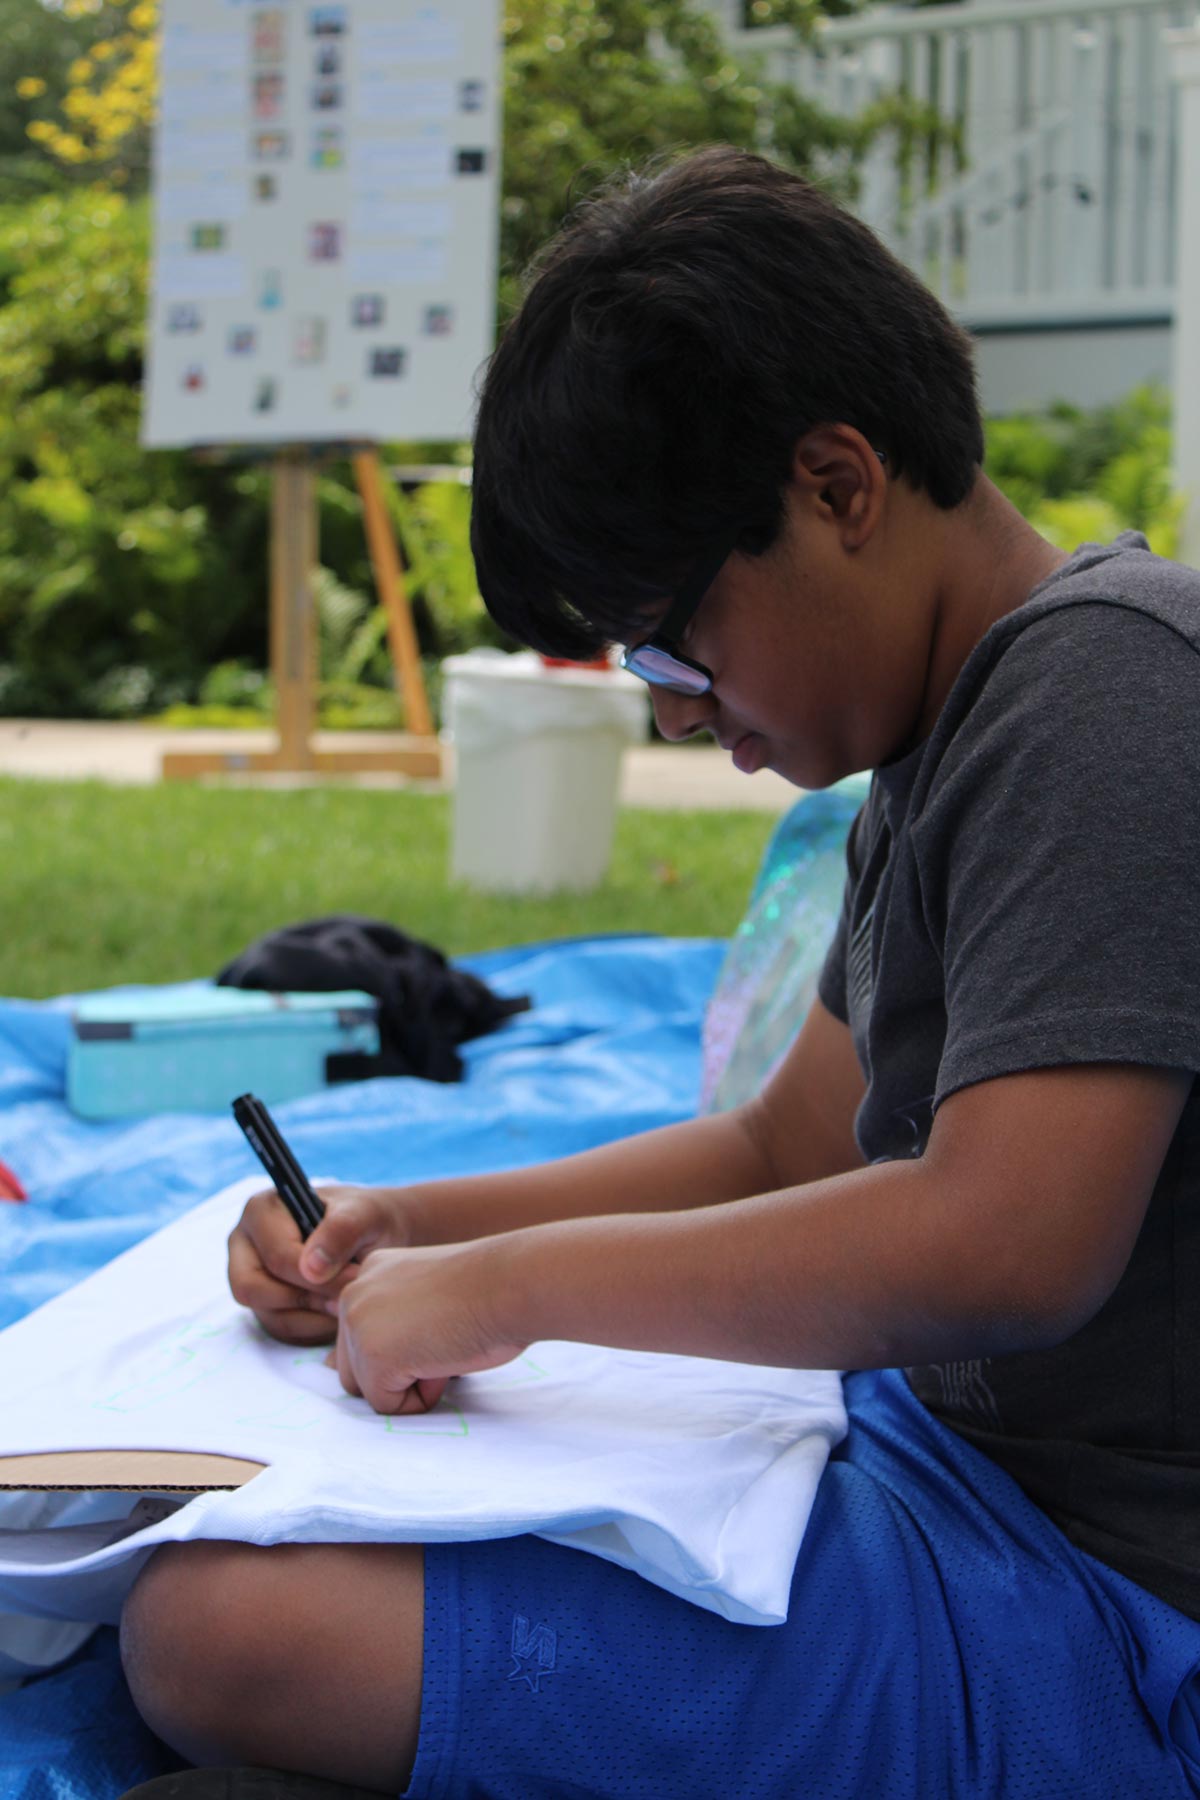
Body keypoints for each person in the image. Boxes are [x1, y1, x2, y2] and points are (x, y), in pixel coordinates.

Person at [118, 147, 1200, 1799]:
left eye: (669, 646)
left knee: (224, 1633)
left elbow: (1007, 1241)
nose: (678, 713)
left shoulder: (1111, 699)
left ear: (838, 486)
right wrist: (421, 1224)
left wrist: (509, 1295)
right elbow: (784, 1151)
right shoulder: (940, 744)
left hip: (1107, 1609)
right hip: (930, 1470)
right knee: (194, 1560)